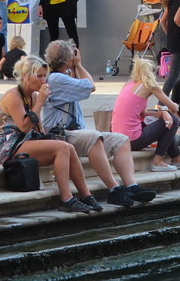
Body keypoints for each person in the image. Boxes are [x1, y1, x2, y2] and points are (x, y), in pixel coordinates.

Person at [44, 40, 157, 207]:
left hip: (72, 133)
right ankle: (114, 190)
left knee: (121, 140)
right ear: (68, 60)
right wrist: (79, 65)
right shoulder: (56, 78)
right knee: (94, 138)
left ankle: (131, 186)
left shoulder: (61, 77)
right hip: (59, 134)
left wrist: (74, 67)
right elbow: (90, 86)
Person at [0, 54, 100, 213]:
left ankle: (86, 196)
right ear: (26, 76)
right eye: (39, 76)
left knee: (68, 148)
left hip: (26, 141)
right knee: (62, 147)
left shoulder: (33, 96)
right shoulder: (13, 96)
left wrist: (44, 137)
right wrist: (41, 101)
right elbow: (23, 126)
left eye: (45, 76)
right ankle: (66, 199)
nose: (44, 80)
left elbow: (38, 126)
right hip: (9, 146)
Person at [111, 56, 180, 172]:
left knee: (167, 121)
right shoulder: (150, 85)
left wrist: (162, 113)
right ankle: (158, 161)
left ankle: (177, 158)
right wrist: (165, 112)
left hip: (118, 138)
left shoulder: (128, 85)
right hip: (132, 141)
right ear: (152, 72)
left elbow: (143, 114)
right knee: (174, 120)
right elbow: (174, 106)